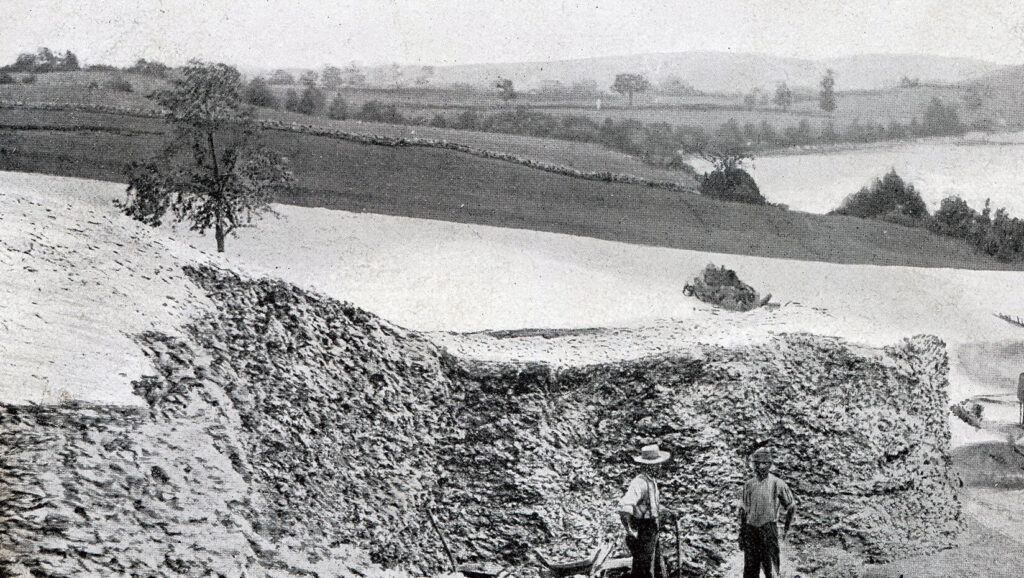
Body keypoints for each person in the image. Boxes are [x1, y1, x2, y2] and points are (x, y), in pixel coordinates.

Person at [738, 447, 795, 578]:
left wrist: (786, 529)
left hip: (768, 529)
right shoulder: (748, 485)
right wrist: (742, 534)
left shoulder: (777, 483)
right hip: (750, 530)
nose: (760, 466)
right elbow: (743, 511)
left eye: (764, 463)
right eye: (756, 463)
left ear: (770, 464)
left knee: (772, 570)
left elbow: (791, 506)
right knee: (750, 571)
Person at [618, 443, 670, 578]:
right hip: (643, 529)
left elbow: (650, 504)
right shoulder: (639, 483)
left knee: (654, 563)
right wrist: (629, 531)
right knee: (643, 566)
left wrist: (666, 511)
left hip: (652, 527)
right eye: (656, 464)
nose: (659, 467)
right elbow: (625, 507)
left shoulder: (651, 481)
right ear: (648, 465)